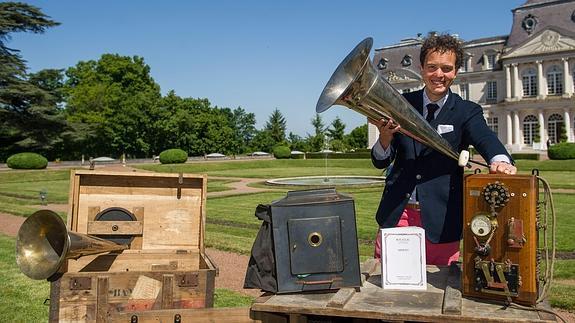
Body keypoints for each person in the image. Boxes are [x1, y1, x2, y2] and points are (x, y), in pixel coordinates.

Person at [370, 33, 517, 265]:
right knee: (388, 284)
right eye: (432, 67)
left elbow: (485, 137)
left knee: (438, 290)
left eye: (447, 68)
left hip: (441, 219)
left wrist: (500, 159)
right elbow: (380, 161)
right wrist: (385, 139)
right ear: (421, 68)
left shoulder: (467, 111)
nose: (439, 75)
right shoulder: (401, 103)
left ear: (456, 71)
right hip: (398, 213)